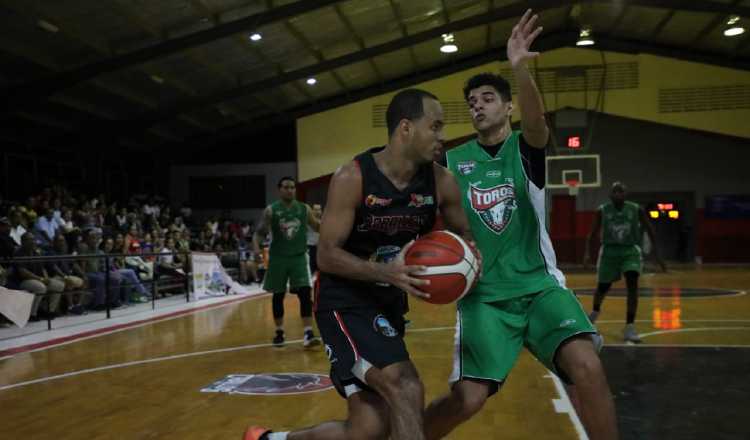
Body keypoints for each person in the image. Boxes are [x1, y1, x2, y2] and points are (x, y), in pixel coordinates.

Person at [424, 10, 618, 440]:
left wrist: (519, 69)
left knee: (587, 366)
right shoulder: (451, 164)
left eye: (488, 98)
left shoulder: (525, 150)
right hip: (485, 297)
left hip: (540, 287)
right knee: (467, 400)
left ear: (508, 106)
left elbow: (536, 123)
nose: (478, 106)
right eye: (472, 103)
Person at [245, 88, 475, 440]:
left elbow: (466, 240)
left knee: (367, 428)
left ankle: (270, 439)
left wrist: (468, 267)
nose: (442, 137)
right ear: (406, 128)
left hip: (388, 305)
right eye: (435, 126)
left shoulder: (442, 183)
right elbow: (326, 255)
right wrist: (387, 272)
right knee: (405, 386)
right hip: (343, 302)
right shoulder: (353, 177)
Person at [584, 181, 666, 343]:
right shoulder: (602, 211)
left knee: (632, 283)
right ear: (610, 195)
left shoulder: (636, 209)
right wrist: (587, 254)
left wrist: (657, 255)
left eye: (621, 191)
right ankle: (594, 312)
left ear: (626, 194)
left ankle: (629, 327)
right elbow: (592, 233)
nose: (618, 194)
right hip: (609, 251)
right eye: (615, 191)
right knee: (603, 287)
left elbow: (650, 230)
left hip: (630, 251)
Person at [252, 177, 322, 348]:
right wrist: (256, 250)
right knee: (278, 295)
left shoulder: (304, 209)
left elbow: (318, 227)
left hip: (298, 257)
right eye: (286, 187)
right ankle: (279, 332)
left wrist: (336, 226)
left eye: (292, 187)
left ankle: (308, 333)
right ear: (279, 189)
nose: (290, 190)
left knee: (305, 294)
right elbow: (259, 233)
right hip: (278, 258)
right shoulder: (271, 210)